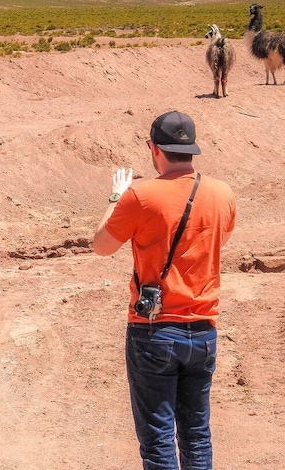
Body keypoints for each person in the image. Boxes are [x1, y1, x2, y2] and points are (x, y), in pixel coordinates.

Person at [93, 110, 236, 470]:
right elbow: (220, 241)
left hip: (153, 332)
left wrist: (115, 197)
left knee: (158, 439)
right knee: (197, 434)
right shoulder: (222, 193)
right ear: (192, 150)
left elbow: (101, 246)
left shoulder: (140, 195)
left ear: (153, 148)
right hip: (204, 331)